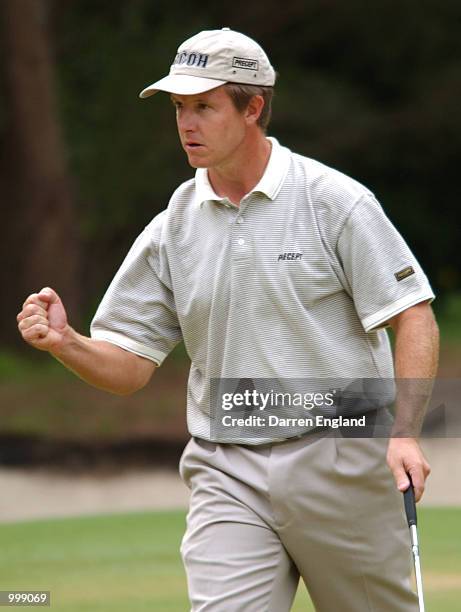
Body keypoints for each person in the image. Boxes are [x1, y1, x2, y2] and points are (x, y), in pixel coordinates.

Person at [17, 28, 439, 611]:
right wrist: (66, 343)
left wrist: (406, 433)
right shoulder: (175, 225)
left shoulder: (336, 202)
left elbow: (413, 316)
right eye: (179, 109)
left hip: (341, 459)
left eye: (204, 107)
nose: (186, 124)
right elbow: (131, 366)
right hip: (225, 467)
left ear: (253, 107)